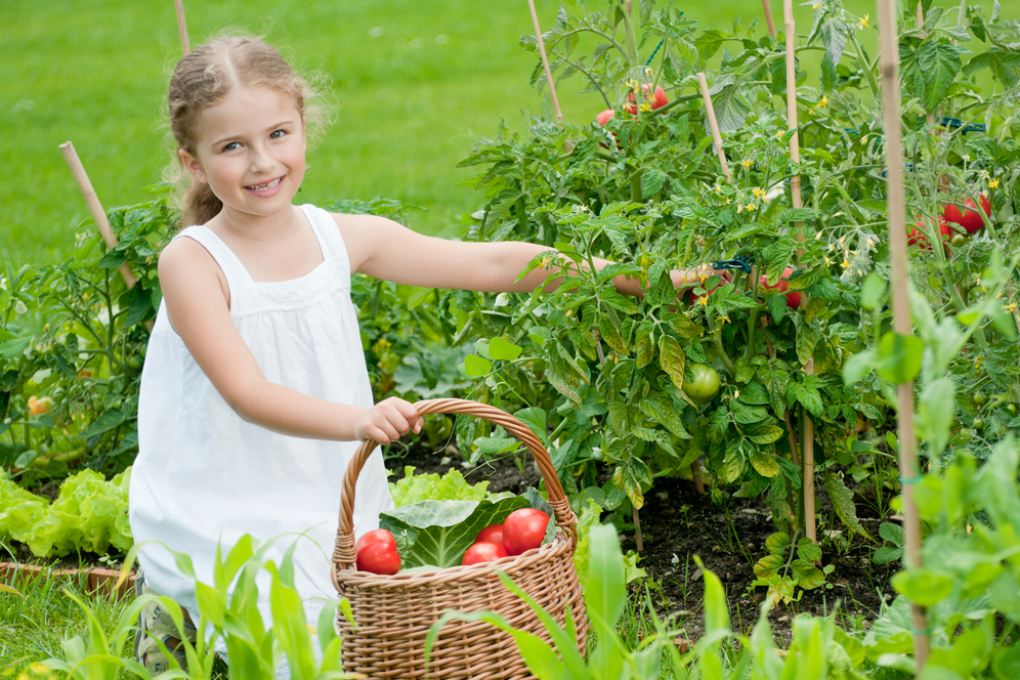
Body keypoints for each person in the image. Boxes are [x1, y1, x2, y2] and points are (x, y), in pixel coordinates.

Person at [128, 34, 723, 676]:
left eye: (278, 134)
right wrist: (357, 420)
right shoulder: (193, 262)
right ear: (193, 162)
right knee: (238, 637)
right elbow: (247, 392)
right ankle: (168, 625)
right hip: (219, 498)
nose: (261, 162)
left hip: (321, 495)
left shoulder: (337, 239)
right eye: (231, 147)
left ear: (304, 124)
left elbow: (498, 262)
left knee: (332, 635)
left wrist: (642, 277)